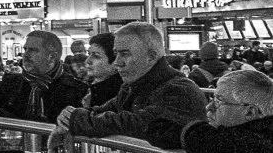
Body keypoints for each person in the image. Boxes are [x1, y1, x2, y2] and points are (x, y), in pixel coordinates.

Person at [57, 21, 208, 142]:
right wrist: (70, 118)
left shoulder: (180, 90)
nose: (117, 62)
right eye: (116, 54)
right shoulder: (130, 86)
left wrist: (76, 119)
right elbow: (102, 112)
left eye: (125, 54)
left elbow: (137, 124)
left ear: (151, 56)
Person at [152, 66, 273, 153]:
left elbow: (222, 141)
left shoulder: (257, 145)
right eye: (212, 99)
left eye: (219, 102)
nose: (208, 108)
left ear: (250, 112)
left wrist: (184, 134)